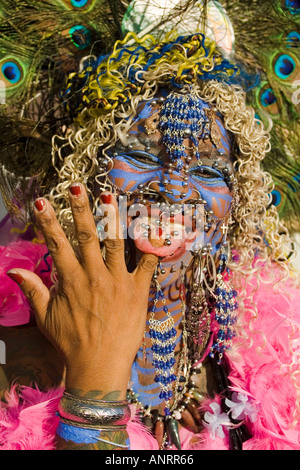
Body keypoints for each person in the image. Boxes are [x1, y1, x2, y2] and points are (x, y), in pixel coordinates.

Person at [0, 6, 300, 451]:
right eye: (140, 156)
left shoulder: (279, 352)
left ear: (238, 204)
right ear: (88, 172)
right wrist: (92, 386)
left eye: (207, 167)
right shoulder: (11, 357)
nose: (174, 187)